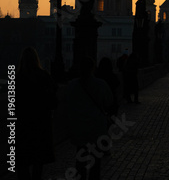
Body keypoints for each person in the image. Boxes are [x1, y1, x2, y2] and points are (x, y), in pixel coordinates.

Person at [66, 56, 113, 180]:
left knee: (80, 159)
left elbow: (67, 103)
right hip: (96, 127)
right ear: (93, 68)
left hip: (79, 126)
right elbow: (109, 102)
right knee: (95, 161)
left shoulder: (72, 85)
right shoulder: (101, 84)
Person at [16, 47, 58, 180]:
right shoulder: (44, 75)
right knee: (38, 160)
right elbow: (53, 101)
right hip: (41, 123)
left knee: (22, 160)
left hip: (23, 124)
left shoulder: (18, 78)